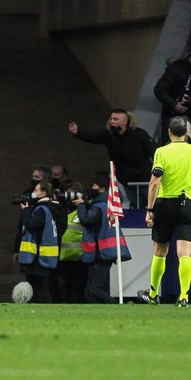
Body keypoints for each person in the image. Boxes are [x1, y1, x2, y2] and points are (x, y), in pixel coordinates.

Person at [138, 116, 191, 307]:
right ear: (186, 133)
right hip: (188, 204)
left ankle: (153, 295)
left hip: (165, 203)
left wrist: (150, 208)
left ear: (169, 133)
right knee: (185, 252)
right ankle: (184, 296)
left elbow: (155, 181)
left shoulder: (162, 152)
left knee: (160, 250)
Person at [69, 109, 156, 206]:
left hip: (147, 181)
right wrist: (78, 132)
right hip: (127, 181)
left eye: (115, 119)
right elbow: (92, 136)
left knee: (153, 207)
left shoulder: (140, 134)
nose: (112, 121)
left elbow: (154, 152)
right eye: (111, 119)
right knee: (136, 208)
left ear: (125, 121)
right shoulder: (108, 135)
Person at [73, 172, 117, 303]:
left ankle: (118, 307)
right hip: (102, 251)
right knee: (89, 292)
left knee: (94, 290)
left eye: (94, 185)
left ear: (102, 188)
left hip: (101, 253)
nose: (92, 188)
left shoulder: (100, 207)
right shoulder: (105, 204)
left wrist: (81, 205)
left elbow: (86, 220)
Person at [17, 181, 61, 303]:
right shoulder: (51, 208)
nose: (33, 193)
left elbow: (31, 226)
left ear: (43, 193)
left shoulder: (42, 209)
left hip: (37, 256)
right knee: (40, 286)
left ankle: (44, 311)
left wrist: (25, 211)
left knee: (40, 287)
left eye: (36, 190)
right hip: (44, 255)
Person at [154, 54, 191, 144]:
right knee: (170, 145)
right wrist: (174, 104)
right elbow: (159, 89)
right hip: (172, 116)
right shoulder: (176, 69)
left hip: (188, 115)